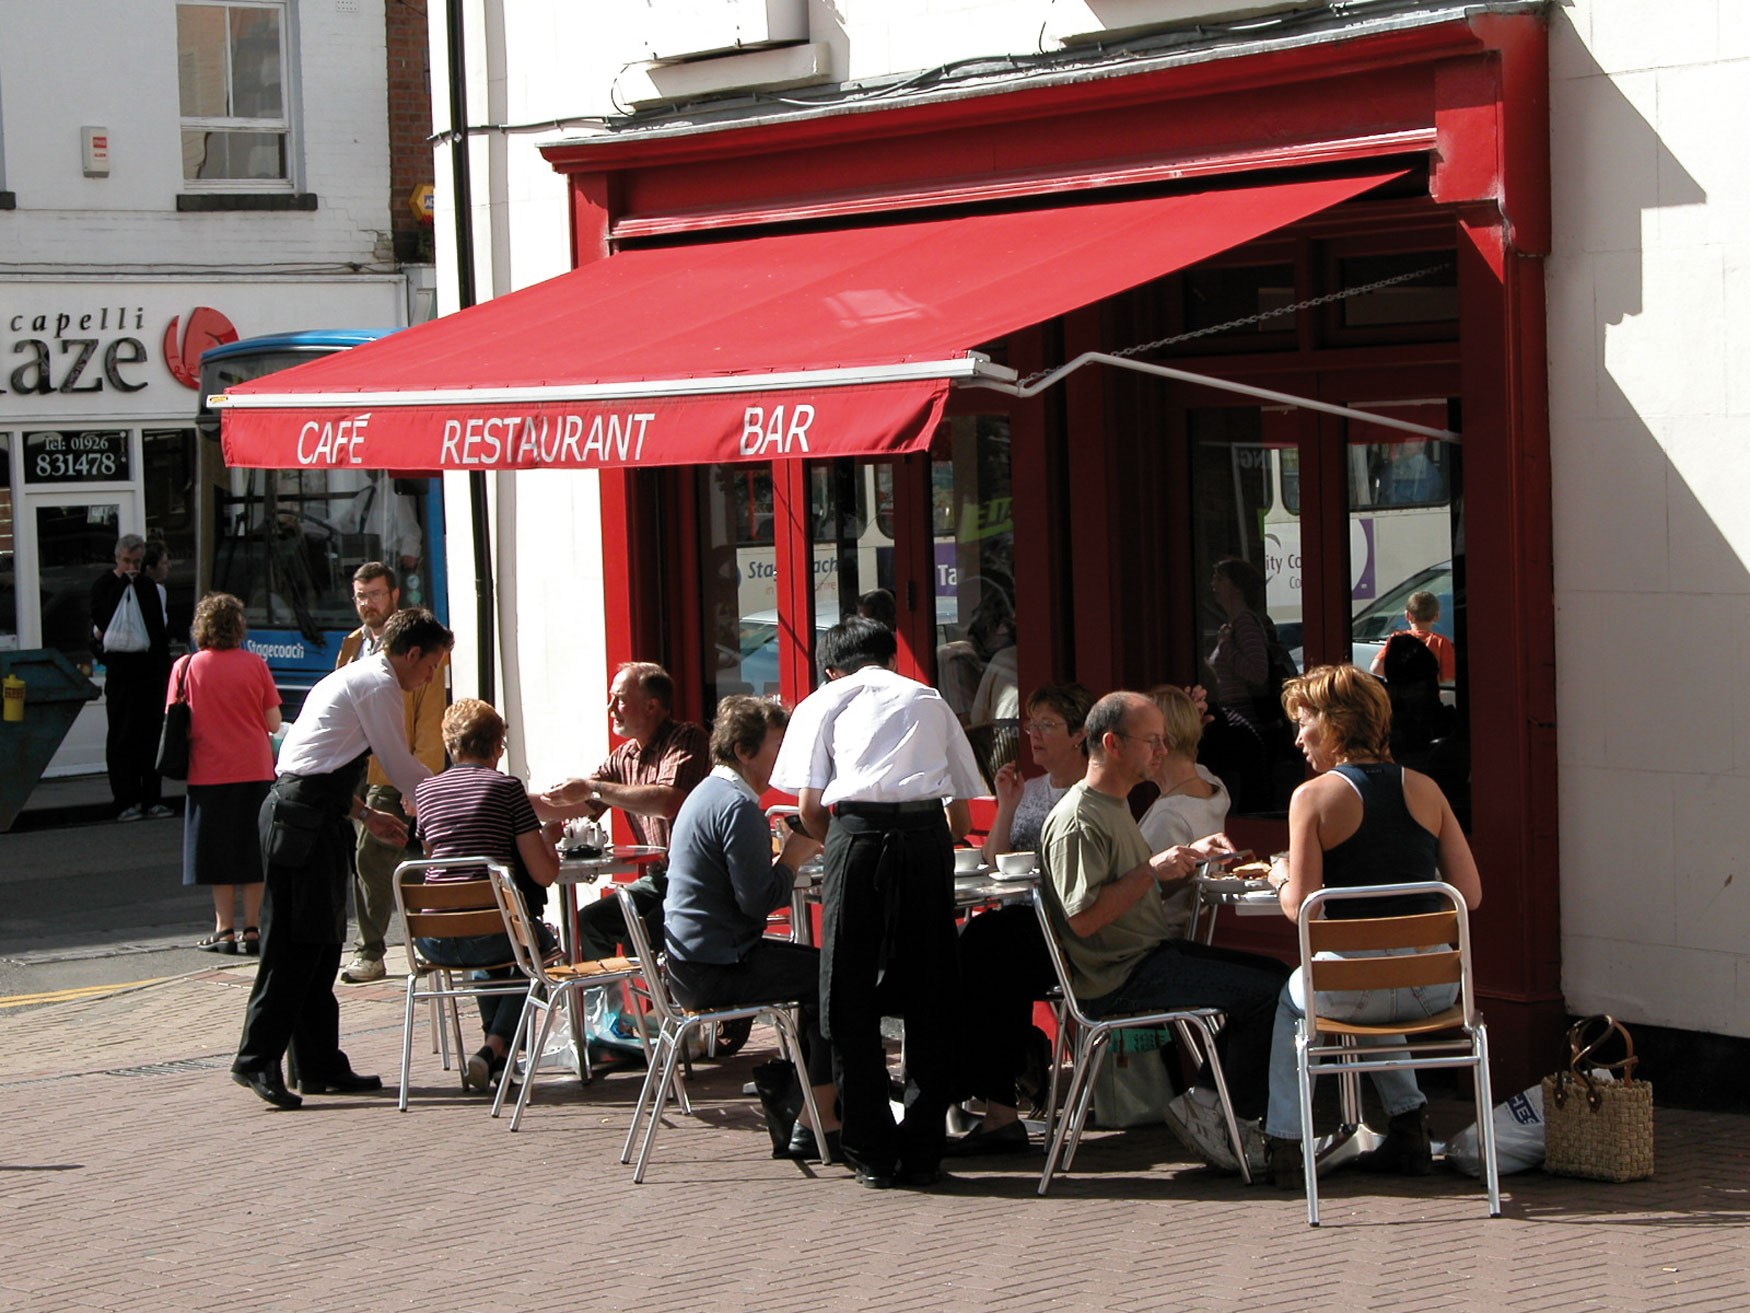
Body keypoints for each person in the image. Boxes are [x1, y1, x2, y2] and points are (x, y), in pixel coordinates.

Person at [771, 616, 985, 1189]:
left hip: (858, 839)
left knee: (845, 992)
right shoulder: (929, 699)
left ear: (831, 667)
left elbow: (812, 809)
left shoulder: (826, 700)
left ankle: (868, 1146)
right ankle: (922, 1147)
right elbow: (962, 813)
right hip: (924, 840)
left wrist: (840, 844)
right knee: (933, 989)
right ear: (891, 658)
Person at [1040, 691, 1289, 1169]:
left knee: (1277, 979)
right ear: (1113, 743)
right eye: (1152, 740)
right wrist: (1152, 869)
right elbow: (1084, 919)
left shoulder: (1113, 804)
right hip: (1117, 977)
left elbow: (1134, 896)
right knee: (1269, 992)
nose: (1161, 751)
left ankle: (1211, 1106)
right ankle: (1217, 1112)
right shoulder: (1079, 819)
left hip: (1146, 956)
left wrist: (1188, 863)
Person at [1258, 664, 1482, 1189]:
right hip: (1435, 989)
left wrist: (1279, 876)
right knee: (1381, 970)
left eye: (1303, 722)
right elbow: (1469, 895)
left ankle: (1287, 1145)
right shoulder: (1427, 789)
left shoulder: (1311, 798)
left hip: (1349, 992)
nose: (1296, 738)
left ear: (1334, 726)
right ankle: (1408, 1126)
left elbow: (1302, 909)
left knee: (1298, 999)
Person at [230, 608, 452, 1111]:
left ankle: (318, 1063)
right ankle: (256, 1058)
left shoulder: (359, 677)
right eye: (431, 665)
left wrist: (365, 814)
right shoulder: (378, 683)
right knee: (292, 945)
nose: (430, 677)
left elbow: (317, 762)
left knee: (322, 944)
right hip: (298, 820)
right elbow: (397, 764)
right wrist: (453, 799)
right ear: (412, 653)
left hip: (315, 814)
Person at [661, 695, 839, 1156]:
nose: (786, 757)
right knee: (832, 979)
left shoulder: (709, 793)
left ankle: (811, 1103)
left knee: (822, 971)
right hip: (715, 968)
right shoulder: (738, 807)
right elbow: (758, 901)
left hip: (692, 961)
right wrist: (793, 858)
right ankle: (819, 1117)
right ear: (744, 751)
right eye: (778, 746)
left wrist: (781, 861)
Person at [410, 699, 560, 1092]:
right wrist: (550, 838)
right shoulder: (507, 788)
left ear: (450, 745)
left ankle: (496, 1062)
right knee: (542, 950)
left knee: (494, 942)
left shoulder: (425, 791)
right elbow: (543, 875)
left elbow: (438, 862)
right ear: (497, 747)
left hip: (434, 938)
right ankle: (495, 1048)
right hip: (493, 932)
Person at [533, 662, 709, 960]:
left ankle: (663, 1006)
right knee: (592, 922)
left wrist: (592, 788)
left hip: (700, 878)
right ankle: (605, 1007)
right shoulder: (624, 755)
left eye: (620, 699)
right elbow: (577, 805)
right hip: (663, 878)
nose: (610, 707)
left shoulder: (687, 738)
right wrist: (505, 798)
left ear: (652, 706)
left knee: (637, 939)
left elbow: (668, 801)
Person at [333, 563, 447, 985]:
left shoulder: (419, 647)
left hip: (391, 764)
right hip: (354, 764)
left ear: (395, 596)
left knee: (373, 854)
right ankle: (409, 941)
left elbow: (430, 718)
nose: (368, 604)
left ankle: (372, 950)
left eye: (376, 595)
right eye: (361, 596)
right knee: (366, 858)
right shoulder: (351, 645)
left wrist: (419, 782)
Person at [175, 594, 282, 956]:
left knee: (218, 855)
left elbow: (177, 721)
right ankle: (253, 929)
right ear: (238, 627)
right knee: (253, 852)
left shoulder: (186, 667)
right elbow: (274, 722)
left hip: (207, 771)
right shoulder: (256, 665)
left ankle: (224, 930)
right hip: (254, 769)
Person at [1137, 684, 1232, 938]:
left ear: (1160, 741)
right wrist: (1189, 722)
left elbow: (1137, 903)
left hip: (1160, 946)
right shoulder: (1214, 788)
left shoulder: (1169, 816)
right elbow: (1192, 765)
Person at [90, 533, 172, 821]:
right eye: (127, 561)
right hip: (122, 676)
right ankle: (125, 799)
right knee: (123, 738)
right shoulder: (105, 586)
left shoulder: (148, 588)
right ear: (117, 559)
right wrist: (124, 584)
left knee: (150, 738)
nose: (132, 567)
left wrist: (164, 674)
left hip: (148, 677)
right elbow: (102, 622)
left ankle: (151, 798)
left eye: (136, 562)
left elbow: (156, 633)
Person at [981, 683, 1092, 864]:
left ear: (1079, 734)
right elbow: (993, 861)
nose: (1035, 734)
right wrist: (1006, 807)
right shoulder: (1028, 789)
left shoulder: (1096, 794)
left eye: (1047, 725)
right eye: (1032, 724)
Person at [1369, 589, 1456, 684]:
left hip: (1400, 696)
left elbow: (1375, 668)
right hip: (1428, 697)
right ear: (1437, 616)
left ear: (1407, 615)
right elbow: (1449, 677)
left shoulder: (1397, 638)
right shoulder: (1441, 642)